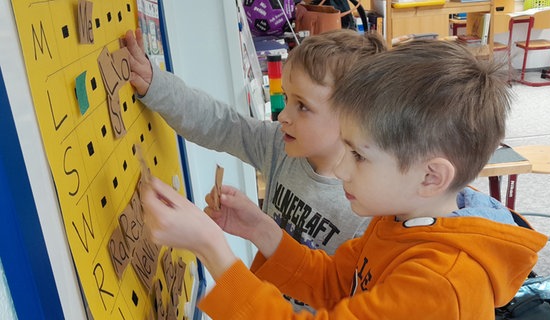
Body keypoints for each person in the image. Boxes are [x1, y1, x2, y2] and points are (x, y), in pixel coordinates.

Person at [140, 39, 548, 319]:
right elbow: (338, 280)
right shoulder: (400, 216)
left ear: (430, 176)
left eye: (358, 156)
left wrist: (213, 251)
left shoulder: (440, 284)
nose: (340, 169)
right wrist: (265, 232)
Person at [125, 28, 386, 310]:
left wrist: (207, 243)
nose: (284, 116)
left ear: (351, 119)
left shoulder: (367, 212)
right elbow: (221, 124)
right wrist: (155, 84)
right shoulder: (280, 145)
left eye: (303, 107)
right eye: (287, 99)